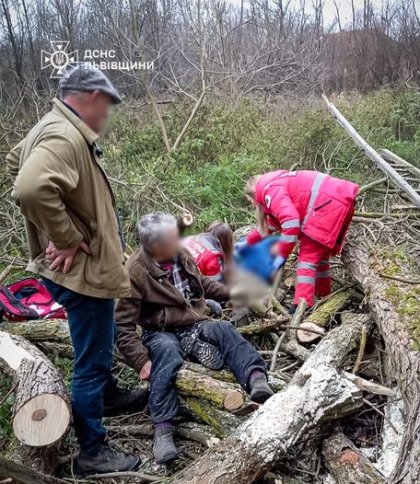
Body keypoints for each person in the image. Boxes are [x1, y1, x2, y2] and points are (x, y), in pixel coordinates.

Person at [6, 64, 146, 476]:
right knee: (92, 360)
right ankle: (93, 451)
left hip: (78, 267)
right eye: (106, 103)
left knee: (95, 352)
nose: (107, 113)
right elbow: (29, 187)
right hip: (82, 273)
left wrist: (57, 222)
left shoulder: (53, 126)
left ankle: (107, 396)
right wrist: (65, 236)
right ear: (87, 97)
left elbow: (17, 160)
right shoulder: (64, 135)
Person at [115, 212, 273, 464]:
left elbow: (203, 285)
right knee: (166, 352)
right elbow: (122, 325)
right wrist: (140, 360)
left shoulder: (181, 255)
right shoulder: (134, 271)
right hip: (161, 331)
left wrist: (233, 293)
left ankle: (256, 380)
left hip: (193, 322)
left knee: (224, 330)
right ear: (155, 246)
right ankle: (163, 428)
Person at [245, 170, 359, 310]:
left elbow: (291, 222)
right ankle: (324, 298)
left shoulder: (270, 191)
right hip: (334, 201)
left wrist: (281, 256)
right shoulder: (273, 185)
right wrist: (245, 243)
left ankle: (301, 306)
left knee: (307, 259)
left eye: (249, 201)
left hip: (326, 204)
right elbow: (270, 225)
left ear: (253, 194)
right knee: (320, 257)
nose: (251, 205)